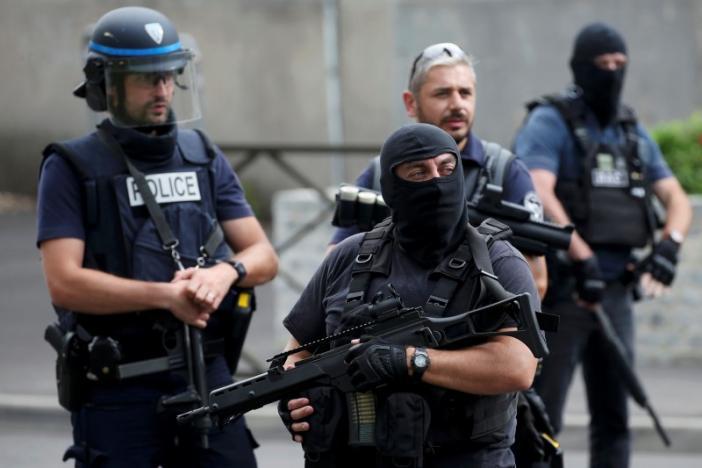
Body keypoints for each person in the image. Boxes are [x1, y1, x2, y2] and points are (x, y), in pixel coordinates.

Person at [36, 7, 278, 468]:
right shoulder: (70, 167)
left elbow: (263, 255)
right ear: (107, 84)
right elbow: (63, 282)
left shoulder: (202, 154)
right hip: (119, 386)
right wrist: (166, 296)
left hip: (207, 372)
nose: (163, 90)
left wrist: (226, 273)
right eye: (148, 78)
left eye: (169, 76)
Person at [279, 123, 540, 467]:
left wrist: (410, 360)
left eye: (447, 168)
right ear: (392, 187)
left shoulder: (497, 262)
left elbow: (519, 366)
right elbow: (297, 352)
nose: (437, 182)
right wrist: (294, 397)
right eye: (419, 172)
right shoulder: (349, 255)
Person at [513, 22, 692, 468]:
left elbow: (675, 197)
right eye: (602, 65)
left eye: (619, 65)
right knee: (542, 413)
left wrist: (669, 244)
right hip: (565, 290)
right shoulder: (551, 120)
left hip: (614, 292)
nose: (612, 73)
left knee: (614, 417)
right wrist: (582, 255)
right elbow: (539, 188)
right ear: (580, 67)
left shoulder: (628, 129)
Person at [330, 42, 548, 298]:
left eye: (465, 93)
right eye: (442, 94)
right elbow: (335, 268)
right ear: (411, 103)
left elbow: (536, 283)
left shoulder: (505, 171)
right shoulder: (384, 172)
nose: (457, 105)